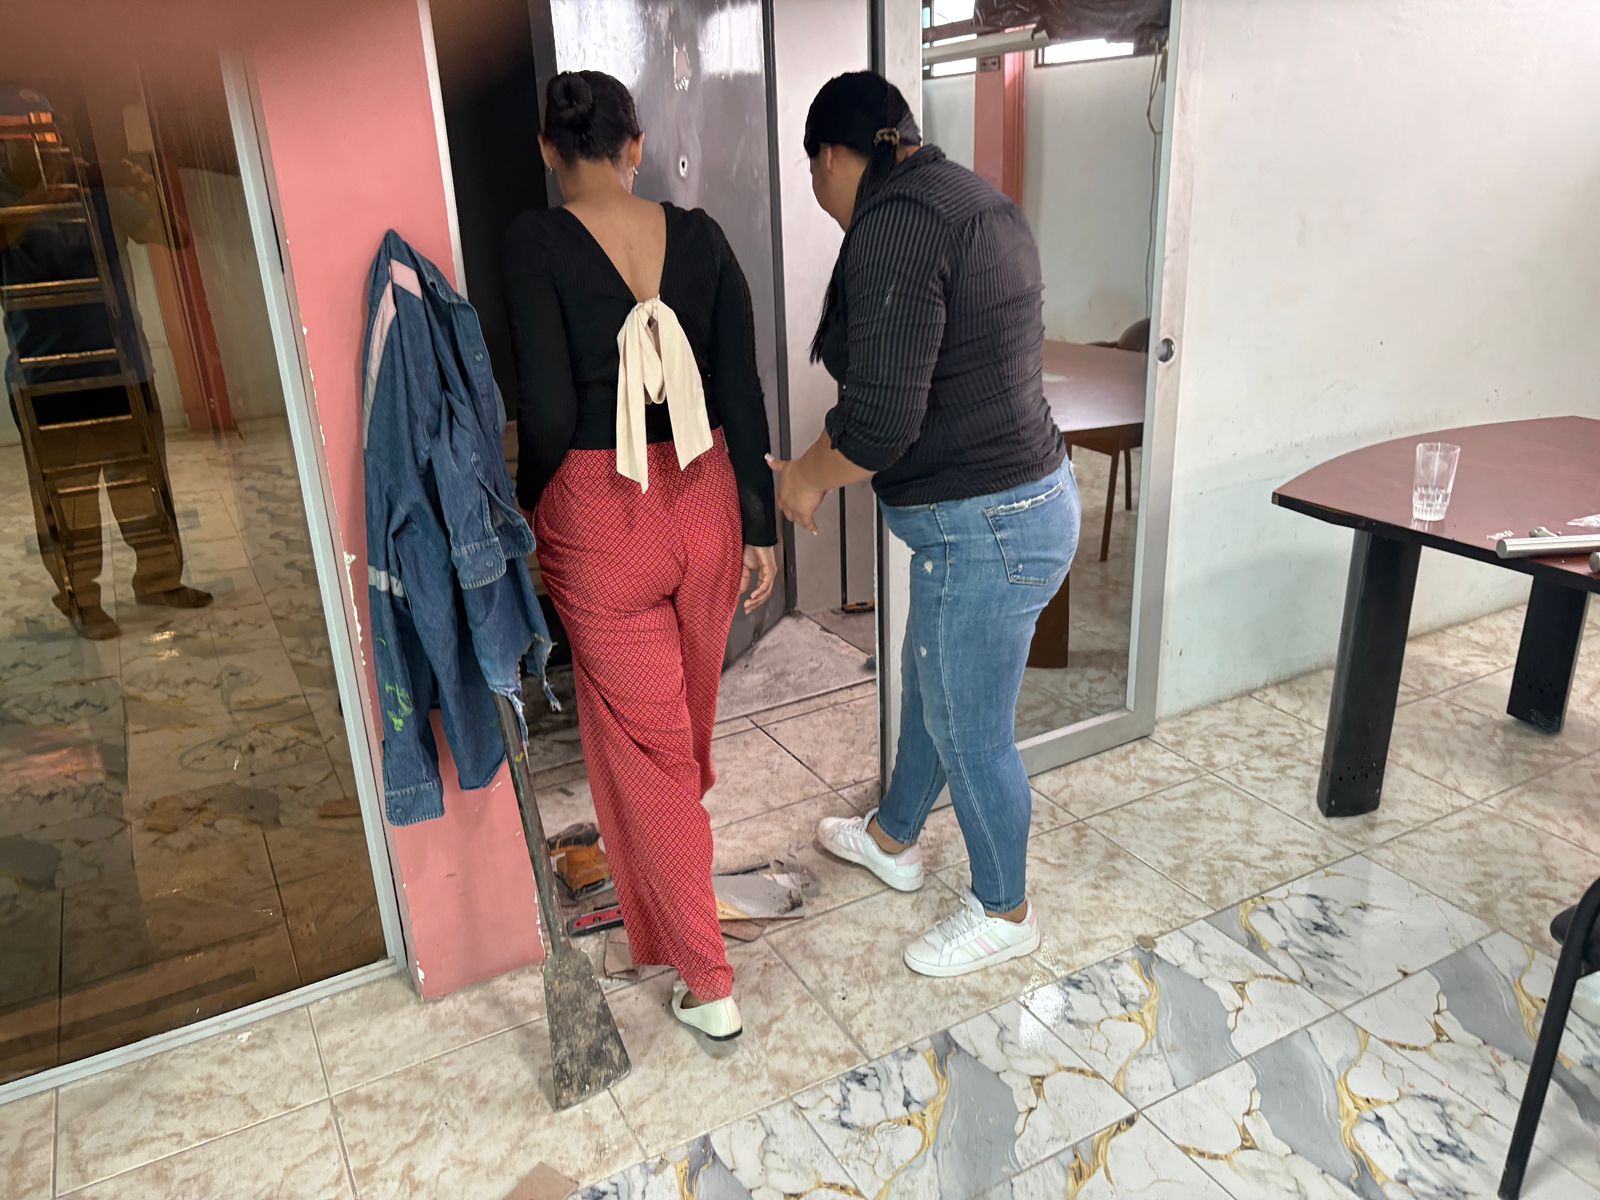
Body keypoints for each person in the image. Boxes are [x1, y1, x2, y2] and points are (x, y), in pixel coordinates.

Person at [773, 72, 1080, 978]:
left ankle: (1006, 909)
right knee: (930, 689)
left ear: (835, 156)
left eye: (813, 170)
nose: (818, 190)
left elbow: (879, 425)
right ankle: (893, 838)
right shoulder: (971, 199)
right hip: (1013, 510)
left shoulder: (899, 223)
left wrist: (804, 481)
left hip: (987, 529)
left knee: (969, 730)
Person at [504, 70, 777, 1041]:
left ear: (548, 150)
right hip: (704, 498)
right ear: (637, 146)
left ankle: (707, 979)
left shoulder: (534, 243)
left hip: (600, 511)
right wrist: (759, 525)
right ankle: (671, 911)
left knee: (648, 754)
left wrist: (531, 506)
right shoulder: (701, 237)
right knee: (682, 738)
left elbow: (545, 408)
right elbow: (741, 388)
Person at [1, 84, 210, 640]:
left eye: (45, 132)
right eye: (22, 135)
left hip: (124, 368)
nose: (38, 145)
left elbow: (175, 238)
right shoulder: (9, 199)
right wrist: (49, 192)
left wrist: (146, 189)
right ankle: (82, 600)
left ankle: (159, 580)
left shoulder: (94, 189)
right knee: (67, 503)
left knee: (144, 483)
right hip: (45, 381)